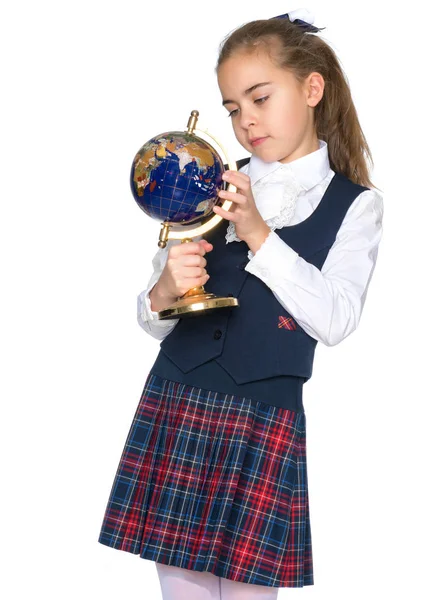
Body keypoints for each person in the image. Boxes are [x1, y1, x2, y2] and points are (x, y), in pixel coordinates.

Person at [98, 8, 384, 600]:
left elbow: (335, 319)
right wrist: (164, 292)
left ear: (311, 88)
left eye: (259, 98)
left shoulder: (356, 205)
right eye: (232, 108)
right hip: (178, 399)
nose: (246, 122)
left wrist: (258, 232)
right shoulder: (203, 181)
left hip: (264, 417)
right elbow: (154, 317)